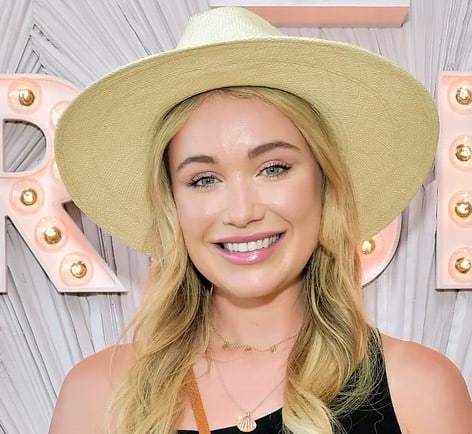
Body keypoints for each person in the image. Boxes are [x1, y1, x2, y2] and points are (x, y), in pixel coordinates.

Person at [49, 6, 472, 434]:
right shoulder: (98, 396)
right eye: (203, 179)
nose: (242, 212)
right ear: (172, 204)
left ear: (324, 183)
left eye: (273, 169)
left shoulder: (419, 389)